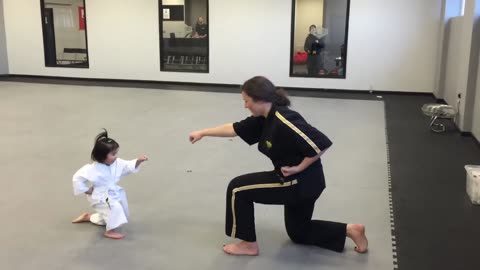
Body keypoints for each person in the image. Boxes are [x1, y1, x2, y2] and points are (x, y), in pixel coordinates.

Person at [189, 76, 368, 256]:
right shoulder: (265, 117)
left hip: (298, 182)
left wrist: (299, 168)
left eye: (247, 101)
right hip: (307, 183)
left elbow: (321, 143)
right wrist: (203, 132)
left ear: (260, 99)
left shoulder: (284, 120)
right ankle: (350, 230)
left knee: (238, 188)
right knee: (299, 232)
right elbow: (235, 129)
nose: (245, 105)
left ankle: (248, 244)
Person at [71, 129, 148, 239]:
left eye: (116, 153)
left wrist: (138, 161)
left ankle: (89, 217)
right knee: (114, 209)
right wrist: (87, 190)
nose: (116, 156)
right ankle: (110, 231)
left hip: (113, 192)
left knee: (118, 210)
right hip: (100, 196)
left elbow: (127, 166)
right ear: (101, 156)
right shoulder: (92, 169)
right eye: (113, 154)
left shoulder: (117, 163)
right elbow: (77, 178)